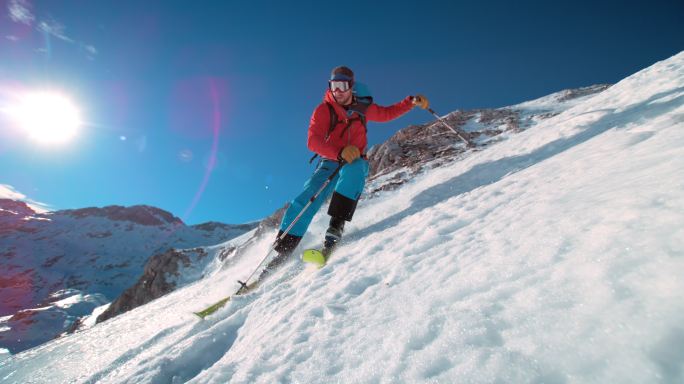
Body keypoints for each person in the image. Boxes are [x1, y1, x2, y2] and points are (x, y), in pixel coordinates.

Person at [260, 65, 428, 277]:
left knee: (355, 171)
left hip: (353, 161)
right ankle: (282, 251)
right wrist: (338, 151)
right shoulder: (324, 110)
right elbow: (313, 140)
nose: (338, 91)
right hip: (330, 160)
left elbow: (386, 114)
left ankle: (335, 227)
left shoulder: (363, 108)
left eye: (343, 86)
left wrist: (410, 103)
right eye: (334, 86)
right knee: (308, 196)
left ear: (352, 87)